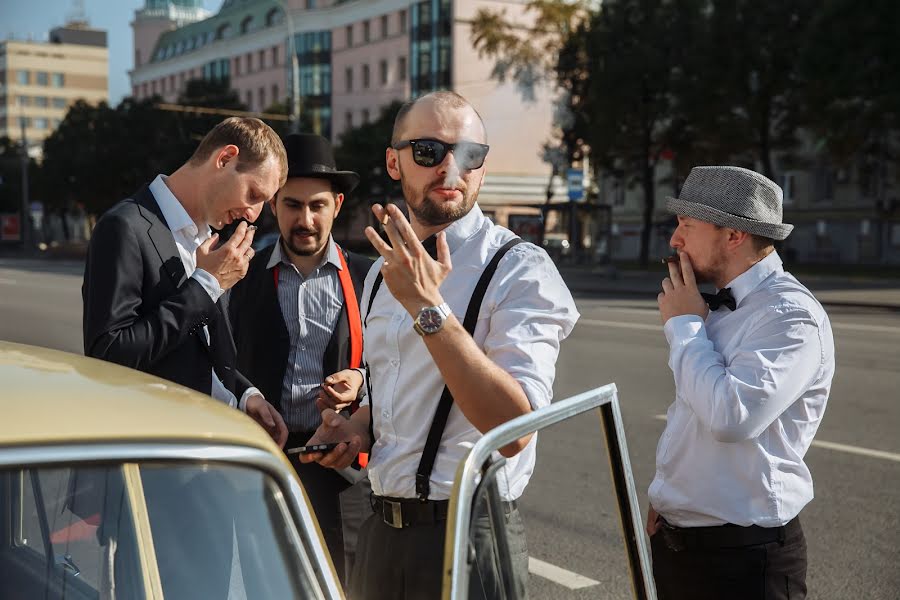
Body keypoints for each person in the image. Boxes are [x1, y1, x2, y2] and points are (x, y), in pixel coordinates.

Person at [299, 91, 579, 599]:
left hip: (468, 532)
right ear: (394, 161)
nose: (452, 167)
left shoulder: (520, 267)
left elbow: (515, 428)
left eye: (470, 155)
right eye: (429, 151)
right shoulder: (384, 273)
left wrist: (429, 309)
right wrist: (356, 428)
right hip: (383, 531)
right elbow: (396, 391)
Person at [648, 166, 835, 600]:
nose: (675, 240)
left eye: (687, 226)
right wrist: (667, 495)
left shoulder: (790, 316)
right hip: (680, 543)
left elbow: (731, 418)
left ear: (733, 235)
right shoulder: (707, 304)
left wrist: (685, 328)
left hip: (747, 560)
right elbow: (689, 415)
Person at [82, 117, 288, 446]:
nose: (253, 214)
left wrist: (245, 393)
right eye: (253, 194)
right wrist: (205, 285)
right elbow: (108, 354)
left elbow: (197, 351)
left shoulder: (209, 241)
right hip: (155, 452)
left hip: (208, 448)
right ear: (224, 159)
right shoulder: (125, 227)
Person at [228, 133, 373, 583]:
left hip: (340, 470)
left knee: (340, 585)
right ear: (273, 205)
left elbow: (398, 363)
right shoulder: (239, 271)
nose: (305, 219)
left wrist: (361, 379)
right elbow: (215, 359)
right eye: (292, 205)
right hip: (262, 465)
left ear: (337, 205)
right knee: (266, 583)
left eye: (317, 206)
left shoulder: (372, 277)